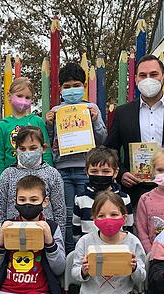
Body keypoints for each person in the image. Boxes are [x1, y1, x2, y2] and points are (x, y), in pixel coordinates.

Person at [71, 147, 132, 294]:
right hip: (90, 263)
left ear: (115, 172)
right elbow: (76, 230)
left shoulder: (125, 198)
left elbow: (129, 229)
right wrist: (82, 254)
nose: (99, 174)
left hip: (117, 263)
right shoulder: (80, 199)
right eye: (94, 170)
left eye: (105, 170)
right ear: (86, 171)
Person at [105, 54, 164, 207]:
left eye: (153, 74)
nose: (148, 79)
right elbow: (109, 149)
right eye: (143, 75)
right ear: (135, 79)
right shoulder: (123, 113)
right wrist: (120, 174)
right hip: (136, 191)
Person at [45, 62, 107, 251]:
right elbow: (48, 142)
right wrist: (48, 124)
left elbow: (103, 137)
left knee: (88, 213)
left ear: (84, 86)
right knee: (66, 215)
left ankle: (88, 252)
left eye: (76, 85)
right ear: (60, 89)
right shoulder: (56, 111)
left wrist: (95, 120)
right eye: (67, 86)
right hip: (62, 170)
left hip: (85, 169)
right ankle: (69, 254)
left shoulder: (91, 108)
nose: (72, 89)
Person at [0, 126, 66, 238]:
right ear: (16, 150)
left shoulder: (53, 174)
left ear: (43, 148)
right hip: (13, 237)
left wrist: (58, 243)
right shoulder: (7, 175)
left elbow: (60, 212)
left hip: (45, 238)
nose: (27, 152)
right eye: (22, 149)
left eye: (33, 148)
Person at [0, 77, 53, 184]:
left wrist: (49, 176)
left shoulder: (37, 121)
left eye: (27, 97)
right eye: (19, 96)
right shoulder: (2, 125)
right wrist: (1, 181)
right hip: (11, 178)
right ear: (9, 96)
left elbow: (46, 152)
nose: (23, 100)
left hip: (37, 177)